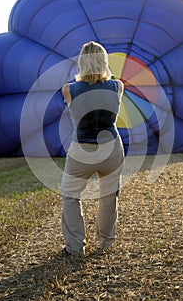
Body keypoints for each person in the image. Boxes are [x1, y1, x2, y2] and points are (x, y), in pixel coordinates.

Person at [61, 41, 124, 256]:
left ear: (81, 62)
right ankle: (106, 243)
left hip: (82, 150)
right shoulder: (118, 86)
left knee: (70, 195)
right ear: (104, 61)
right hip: (111, 148)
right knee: (109, 196)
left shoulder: (68, 89)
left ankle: (75, 247)